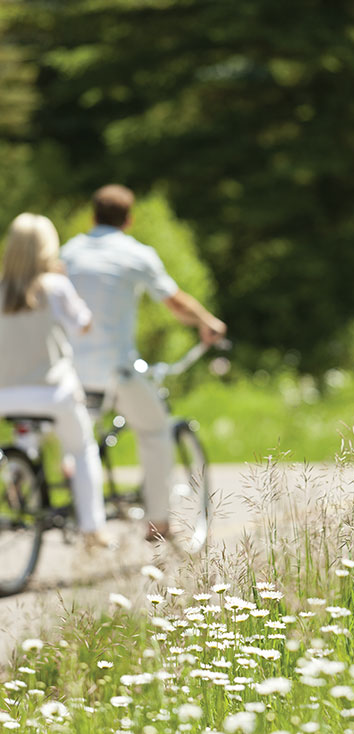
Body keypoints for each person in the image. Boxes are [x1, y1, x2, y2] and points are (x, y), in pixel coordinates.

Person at [60, 184, 226, 541]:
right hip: (116, 369)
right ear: (129, 220)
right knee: (154, 431)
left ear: (93, 216)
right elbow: (175, 301)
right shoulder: (135, 254)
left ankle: (71, 495)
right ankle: (157, 522)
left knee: (77, 438)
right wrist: (206, 322)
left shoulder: (68, 253)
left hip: (70, 370)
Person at [0, 213, 107, 548]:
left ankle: (18, 477)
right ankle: (93, 529)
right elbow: (83, 324)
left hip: (5, 393)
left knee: (25, 433)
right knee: (82, 447)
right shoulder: (55, 286)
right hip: (53, 391)